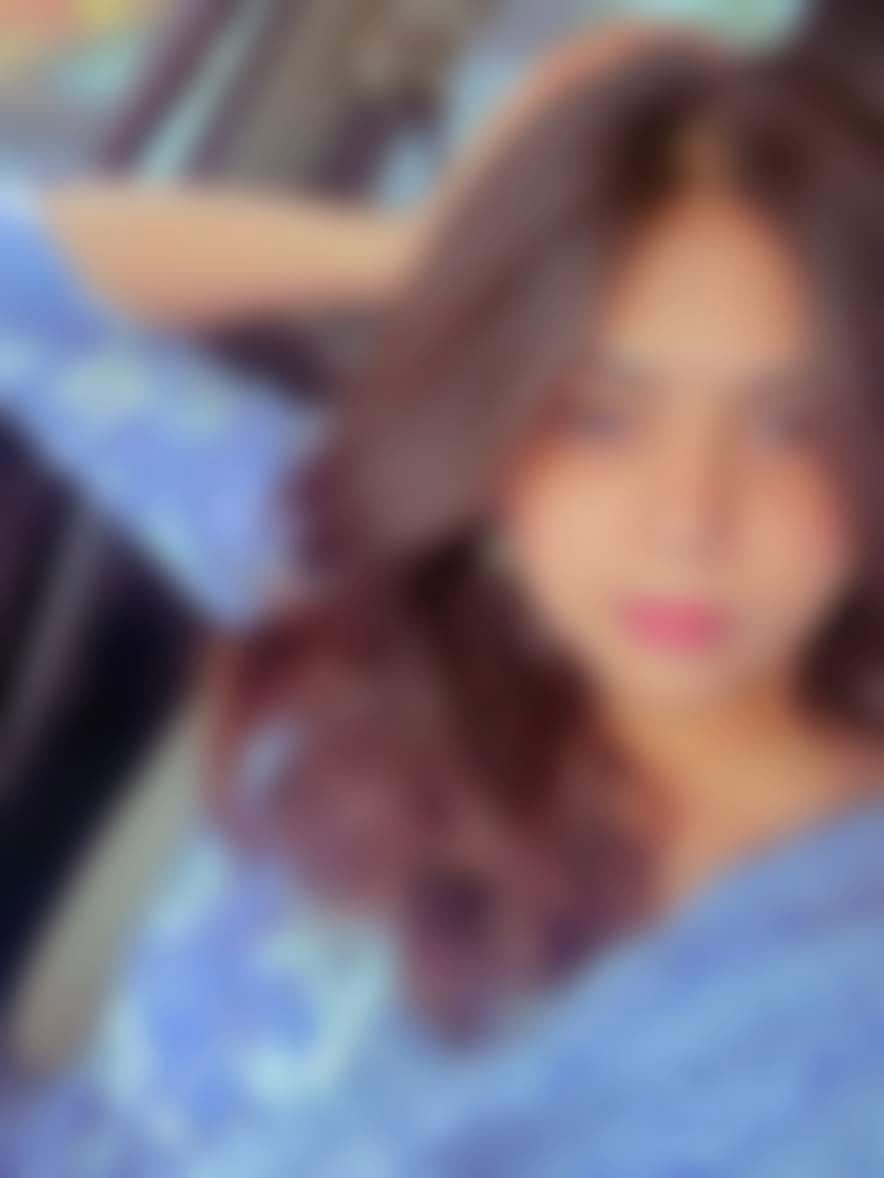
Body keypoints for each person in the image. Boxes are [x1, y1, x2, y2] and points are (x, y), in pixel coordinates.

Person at [2, 19, 884, 1177]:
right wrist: (420, 253)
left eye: (790, 427)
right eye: (594, 414)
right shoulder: (388, 589)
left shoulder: (836, 971)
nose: (686, 523)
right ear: (491, 419)